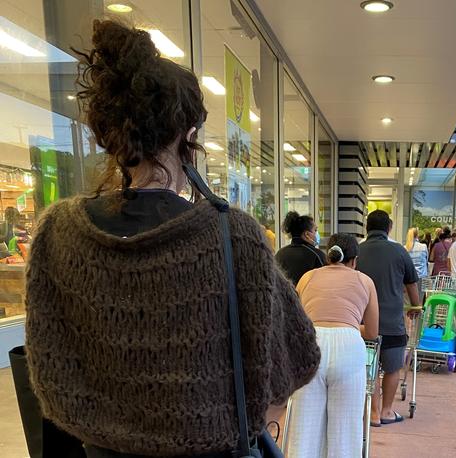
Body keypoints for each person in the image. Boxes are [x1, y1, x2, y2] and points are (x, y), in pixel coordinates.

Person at [23, 20, 321, 458]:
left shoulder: (56, 234)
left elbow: (48, 366)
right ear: (189, 135)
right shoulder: (231, 234)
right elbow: (296, 355)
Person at [287, 234, 379, 457]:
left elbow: (296, 321)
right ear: (354, 260)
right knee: (345, 429)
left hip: (311, 345)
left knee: (304, 426)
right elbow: (373, 332)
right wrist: (347, 324)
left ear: (329, 255)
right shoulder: (365, 281)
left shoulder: (307, 278)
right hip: (349, 346)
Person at [357, 210, 421, 427]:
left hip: (364, 323)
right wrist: (416, 306)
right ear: (389, 228)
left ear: (367, 227)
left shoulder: (357, 250)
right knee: (393, 367)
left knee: (371, 367)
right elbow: (412, 283)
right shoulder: (399, 251)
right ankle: (387, 411)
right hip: (393, 322)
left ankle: (373, 414)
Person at [275, 211, 326, 284]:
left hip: (284, 295)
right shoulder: (317, 255)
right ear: (307, 234)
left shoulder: (280, 253)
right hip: (307, 295)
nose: (317, 234)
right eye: (315, 230)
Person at [406, 227, 429, 299]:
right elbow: (426, 260)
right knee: (420, 300)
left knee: (410, 300)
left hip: (409, 278)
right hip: (422, 276)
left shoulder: (405, 248)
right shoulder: (423, 247)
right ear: (417, 235)